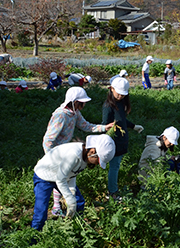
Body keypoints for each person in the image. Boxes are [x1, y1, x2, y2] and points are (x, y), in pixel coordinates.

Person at [42, 87, 114, 216]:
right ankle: (56, 207)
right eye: (83, 101)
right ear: (75, 101)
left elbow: (86, 126)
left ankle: (59, 206)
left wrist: (104, 127)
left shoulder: (74, 113)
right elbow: (48, 140)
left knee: (63, 179)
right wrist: (50, 157)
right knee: (58, 180)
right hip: (57, 154)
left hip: (66, 151)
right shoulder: (61, 115)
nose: (85, 104)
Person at [31, 134, 115, 231]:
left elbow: (72, 174)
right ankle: (33, 240)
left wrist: (72, 191)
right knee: (40, 213)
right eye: (98, 160)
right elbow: (60, 179)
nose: (97, 164)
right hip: (45, 176)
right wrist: (69, 199)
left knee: (79, 202)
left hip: (61, 177)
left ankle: (74, 229)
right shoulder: (74, 154)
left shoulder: (85, 156)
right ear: (92, 151)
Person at [102, 77, 143, 200]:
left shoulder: (121, 102)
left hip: (122, 140)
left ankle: (113, 189)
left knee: (117, 166)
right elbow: (105, 125)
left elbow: (121, 119)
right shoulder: (108, 106)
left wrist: (133, 126)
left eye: (123, 94)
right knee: (114, 167)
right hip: (114, 141)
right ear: (111, 89)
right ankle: (112, 193)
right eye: (118, 93)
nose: (120, 96)